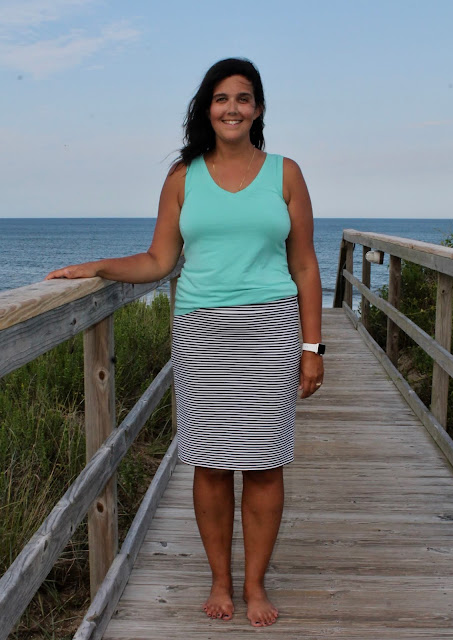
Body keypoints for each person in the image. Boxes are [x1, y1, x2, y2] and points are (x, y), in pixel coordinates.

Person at [45, 57, 324, 628]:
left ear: (259, 109)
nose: (232, 108)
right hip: (201, 330)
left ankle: (254, 584)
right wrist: (98, 266)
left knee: (265, 461)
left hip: (272, 329)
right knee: (209, 462)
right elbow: (159, 260)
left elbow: (305, 265)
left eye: (243, 98)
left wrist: (312, 348)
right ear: (207, 108)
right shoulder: (183, 177)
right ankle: (220, 579)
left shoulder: (286, 174)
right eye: (222, 98)